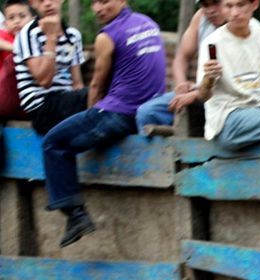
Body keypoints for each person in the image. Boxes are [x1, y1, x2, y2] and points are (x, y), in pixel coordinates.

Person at [41, 0, 166, 247]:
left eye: (105, 1)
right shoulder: (149, 24)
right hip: (146, 113)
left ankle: (75, 215)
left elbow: (97, 84)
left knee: (52, 143)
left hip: (118, 114)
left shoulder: (107, 35)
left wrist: (90, 116)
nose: (98, 8)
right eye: (94, 2)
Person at [195, 0, 260, 150]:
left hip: (257, 115)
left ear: (255, 4)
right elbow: (203, 96)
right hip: (228, 120)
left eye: (241, 5)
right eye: (229, 6)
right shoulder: (212, 42)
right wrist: (209, 78)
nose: (235, 13)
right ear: (222, 8)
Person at [135, 0, 227, 133]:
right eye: (206, 5)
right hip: (201, 91)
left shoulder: (241, 27)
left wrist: (196, 94)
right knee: (147, 112)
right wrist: (182, 84)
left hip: (225, 98)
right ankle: (159, 153)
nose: (211, 10)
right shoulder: (201, 18)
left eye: (215, 3)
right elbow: (181, 58)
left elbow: (235, 84)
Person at [12, 0, 86, 134]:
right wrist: (51, 37)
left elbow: (77, 83)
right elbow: (44, 81)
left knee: (101, 93)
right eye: (41, 0)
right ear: (33, 3)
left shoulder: (73, 35)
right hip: (41, 106)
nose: (47, 3)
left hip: (66, 101)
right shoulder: (28, 34)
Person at [0, 0, 30, 119]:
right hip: (5, 92)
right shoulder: (4, 36)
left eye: (22, 16)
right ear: (6, 23)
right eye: (11, 18)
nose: (17, 21)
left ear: (32, 19)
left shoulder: (33, 36)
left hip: (27, 95)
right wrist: (17, 49)